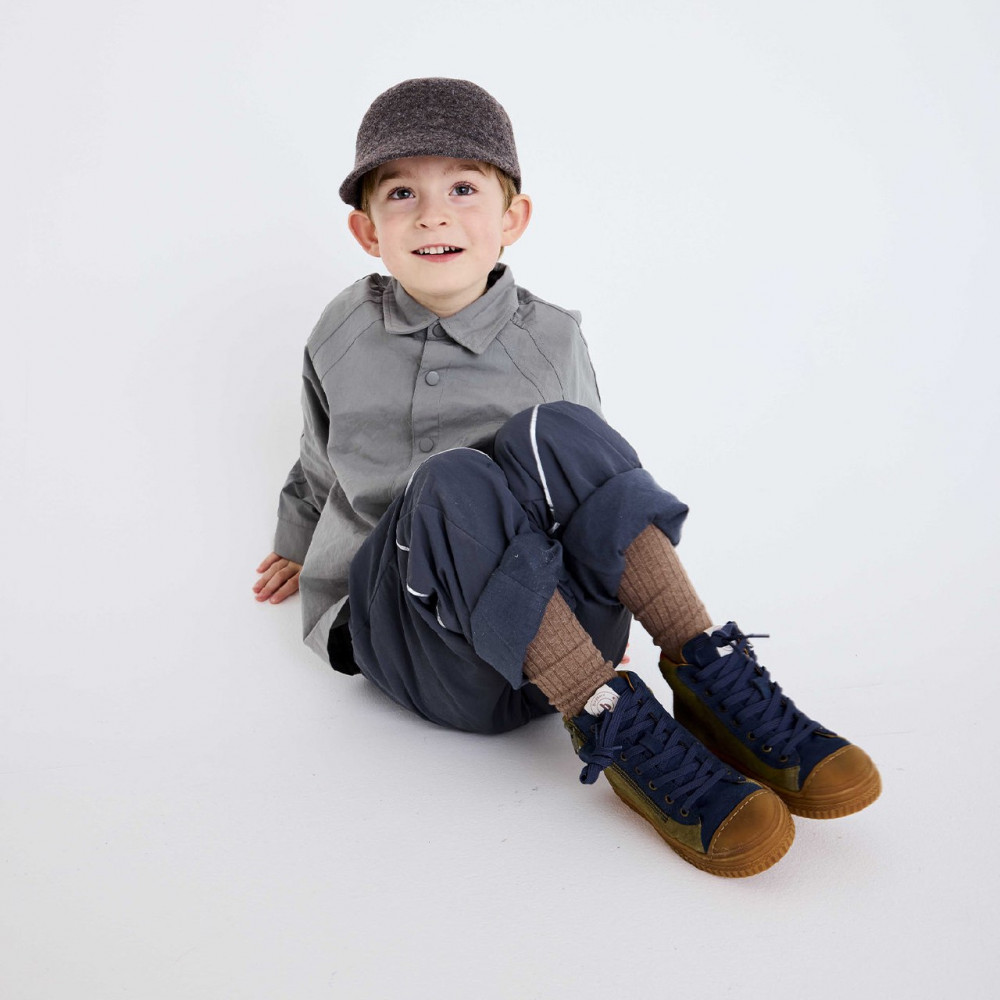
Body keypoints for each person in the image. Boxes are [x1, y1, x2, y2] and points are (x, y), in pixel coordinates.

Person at [253, 77, 880, 878]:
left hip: (549, 634)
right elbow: (319, 452)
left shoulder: (550, 340)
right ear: (367, 230)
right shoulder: (342, 330)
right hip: (415, 641)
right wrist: (297, 538)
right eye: (402, 192)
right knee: (450, 481)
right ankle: (610, 719)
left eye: (463, 188)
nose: (433, 215)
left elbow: (591, 490)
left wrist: (595, 599)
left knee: (567, 431)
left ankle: (707, 674)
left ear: (512, 219)